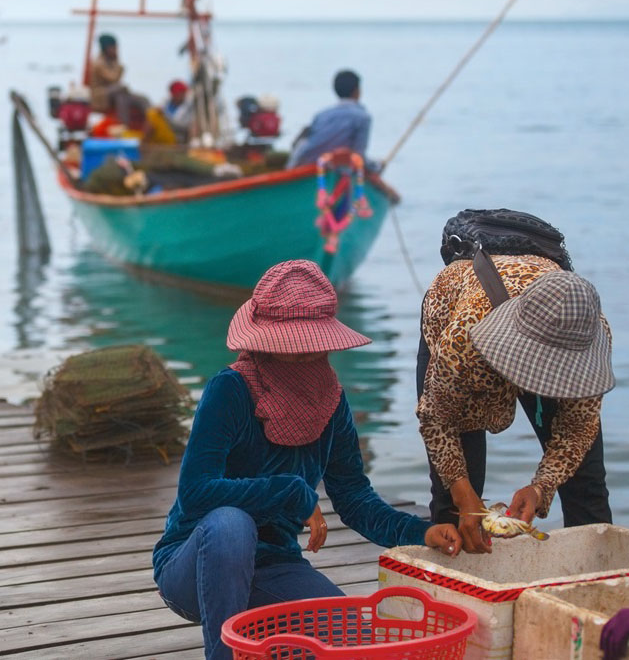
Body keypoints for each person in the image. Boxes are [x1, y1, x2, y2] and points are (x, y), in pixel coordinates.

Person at [153, 260, 462, 660]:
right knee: (232, 522)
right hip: (196, 565)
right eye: (292, 350)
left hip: (273, 566)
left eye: (313, 348)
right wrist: (291, 492)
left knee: (356, 643)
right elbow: (196, 493)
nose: (305, 357)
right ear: (264, 343)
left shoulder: (330, 399)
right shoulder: (228, 390)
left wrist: (421, 533)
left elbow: (353, 496)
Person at [416, 209, 614, 555]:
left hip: (553, 321)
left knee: (586, 483)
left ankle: (597, 587)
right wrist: (464, 495)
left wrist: (541, 487)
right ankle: (454, 592)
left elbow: (578, 427)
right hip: (469, 322)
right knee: (456, 498)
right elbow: (437, 419)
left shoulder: (589, 331)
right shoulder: (465, 338)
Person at [286, 69, 372, 169]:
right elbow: (359, 156)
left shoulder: (321, 115)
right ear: (357, 90)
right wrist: (376, 166)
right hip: (335, 168)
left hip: (309, 165)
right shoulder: (363, 117)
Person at [88, 33, 149, 129]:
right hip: (101, 96)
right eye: (114, 47)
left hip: (114, 93)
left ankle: (150, 124)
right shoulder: (98, 63)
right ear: (107, 48)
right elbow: (113, 78)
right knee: (120, 93)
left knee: (142, 99)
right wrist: (119, 65)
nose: (116, 50)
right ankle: (124, 125)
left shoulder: (111, 61)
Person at [143, 80, 193, 145]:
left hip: (176, 136)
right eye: (179, 93)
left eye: (183, 92)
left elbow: (184, 126)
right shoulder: (166, 102)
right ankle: (146, 144)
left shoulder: (188, 107)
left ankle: (143, 145)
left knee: (153, 115)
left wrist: (165, 117)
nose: (182, 95)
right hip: (164, 133)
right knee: (152, 114)